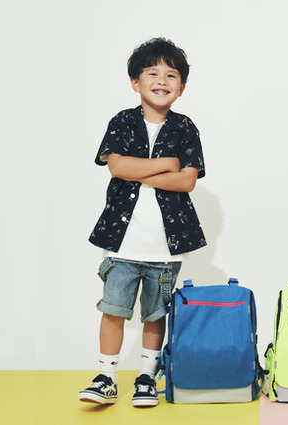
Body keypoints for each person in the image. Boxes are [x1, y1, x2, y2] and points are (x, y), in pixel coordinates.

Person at [78, 38, 206, 407]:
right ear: (136, 82)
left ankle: (146, 377)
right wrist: (166, 164)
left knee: (155, 314)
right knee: (113, 310)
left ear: (182, 87)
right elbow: (117, 166)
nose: (162, 80)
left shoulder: (185, 127)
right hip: (122, 243)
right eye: (152, 73)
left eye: (171, 75)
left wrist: (141, 171)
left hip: (166, 247)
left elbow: (186, 181)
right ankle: (106, 376)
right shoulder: (122, 121)